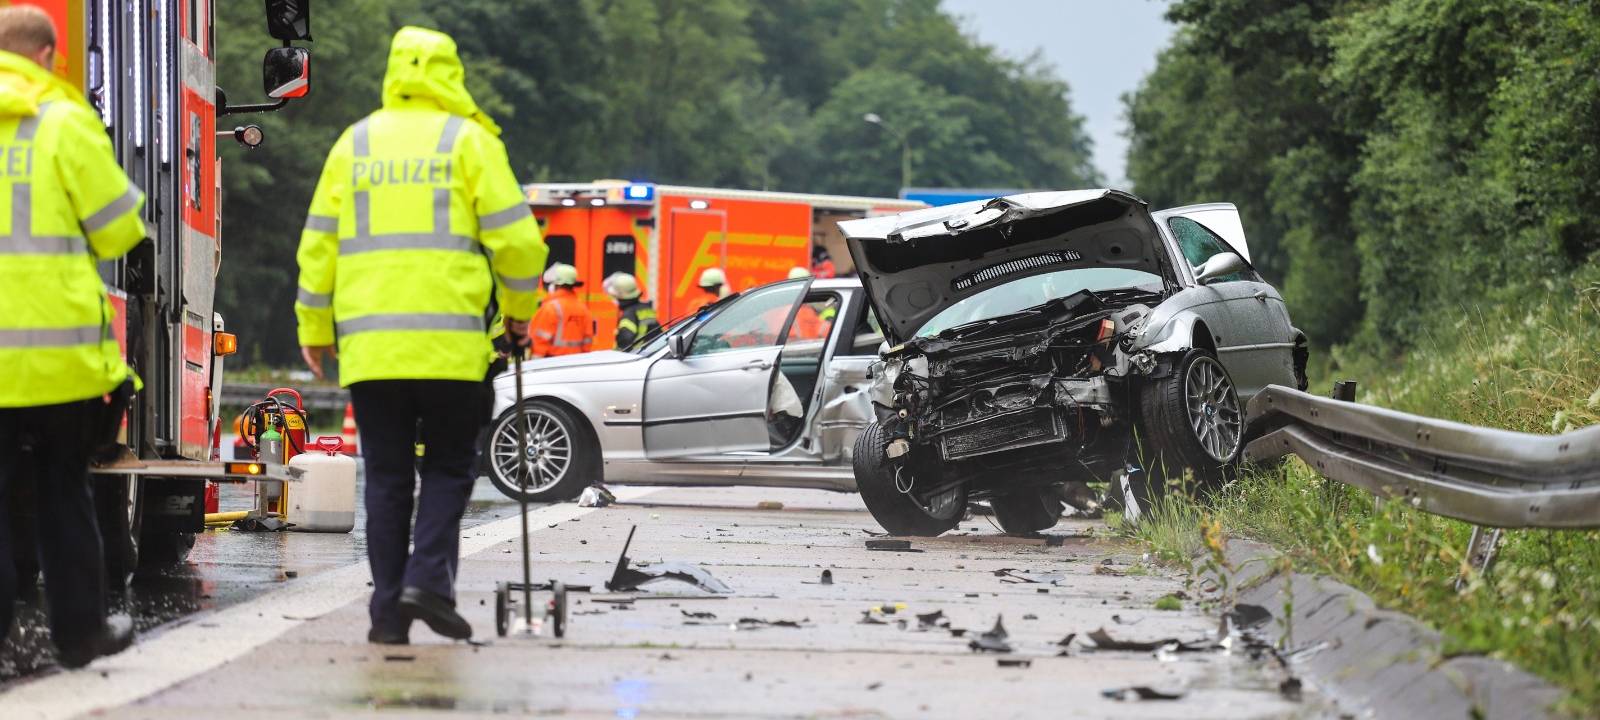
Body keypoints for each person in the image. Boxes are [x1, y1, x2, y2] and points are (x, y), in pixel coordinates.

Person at [295, 26, 546, 644]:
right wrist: (518, 313)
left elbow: (317, 244)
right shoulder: (470, 142)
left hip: (372, 349)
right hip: (451, 349)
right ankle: (428, 581)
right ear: (450, 75)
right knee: (448, 468)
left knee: (384, 476)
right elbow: (517, 242)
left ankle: (387, 617)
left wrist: (314, 327)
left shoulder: (352, 144)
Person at [0, 6, 144, 668]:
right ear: (52, 57)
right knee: (63, 487)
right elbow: (118, 230)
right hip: (57, 356)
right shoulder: (63, 122)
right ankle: (80, 632)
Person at [530, 263, 595, 357]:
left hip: (552, 364)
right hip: (577, 364)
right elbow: (587, 342)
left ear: (556, 285)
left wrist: (535, 365)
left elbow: (539, 342)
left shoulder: (550, 308)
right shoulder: (584, 309)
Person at [603, 272, 658, 349]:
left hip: (633, 357)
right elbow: (658, 332)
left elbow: (624, 341)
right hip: (648, 354)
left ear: (620, 295)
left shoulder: (628, 314)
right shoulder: (646, 309)